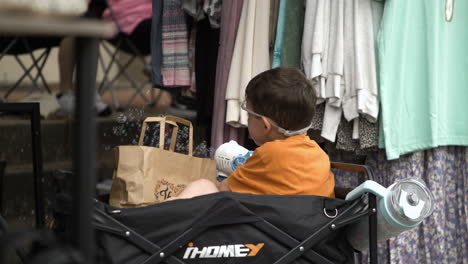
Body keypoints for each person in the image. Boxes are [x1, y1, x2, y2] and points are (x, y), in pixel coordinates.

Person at [172, 67, 335, 200]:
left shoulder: (269, 155)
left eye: (249, 114)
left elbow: (223, 189)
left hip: (264, 235)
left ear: (265, 125)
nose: (248, 118)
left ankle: (155, 218)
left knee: (203, 185)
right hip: (307, 233)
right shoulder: (319, 156)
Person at [56, 0, 153, 116]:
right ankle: (68, 94)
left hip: (153, 17)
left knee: (176, 17)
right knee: (84, 21)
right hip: (124, 19)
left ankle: (162, 66)